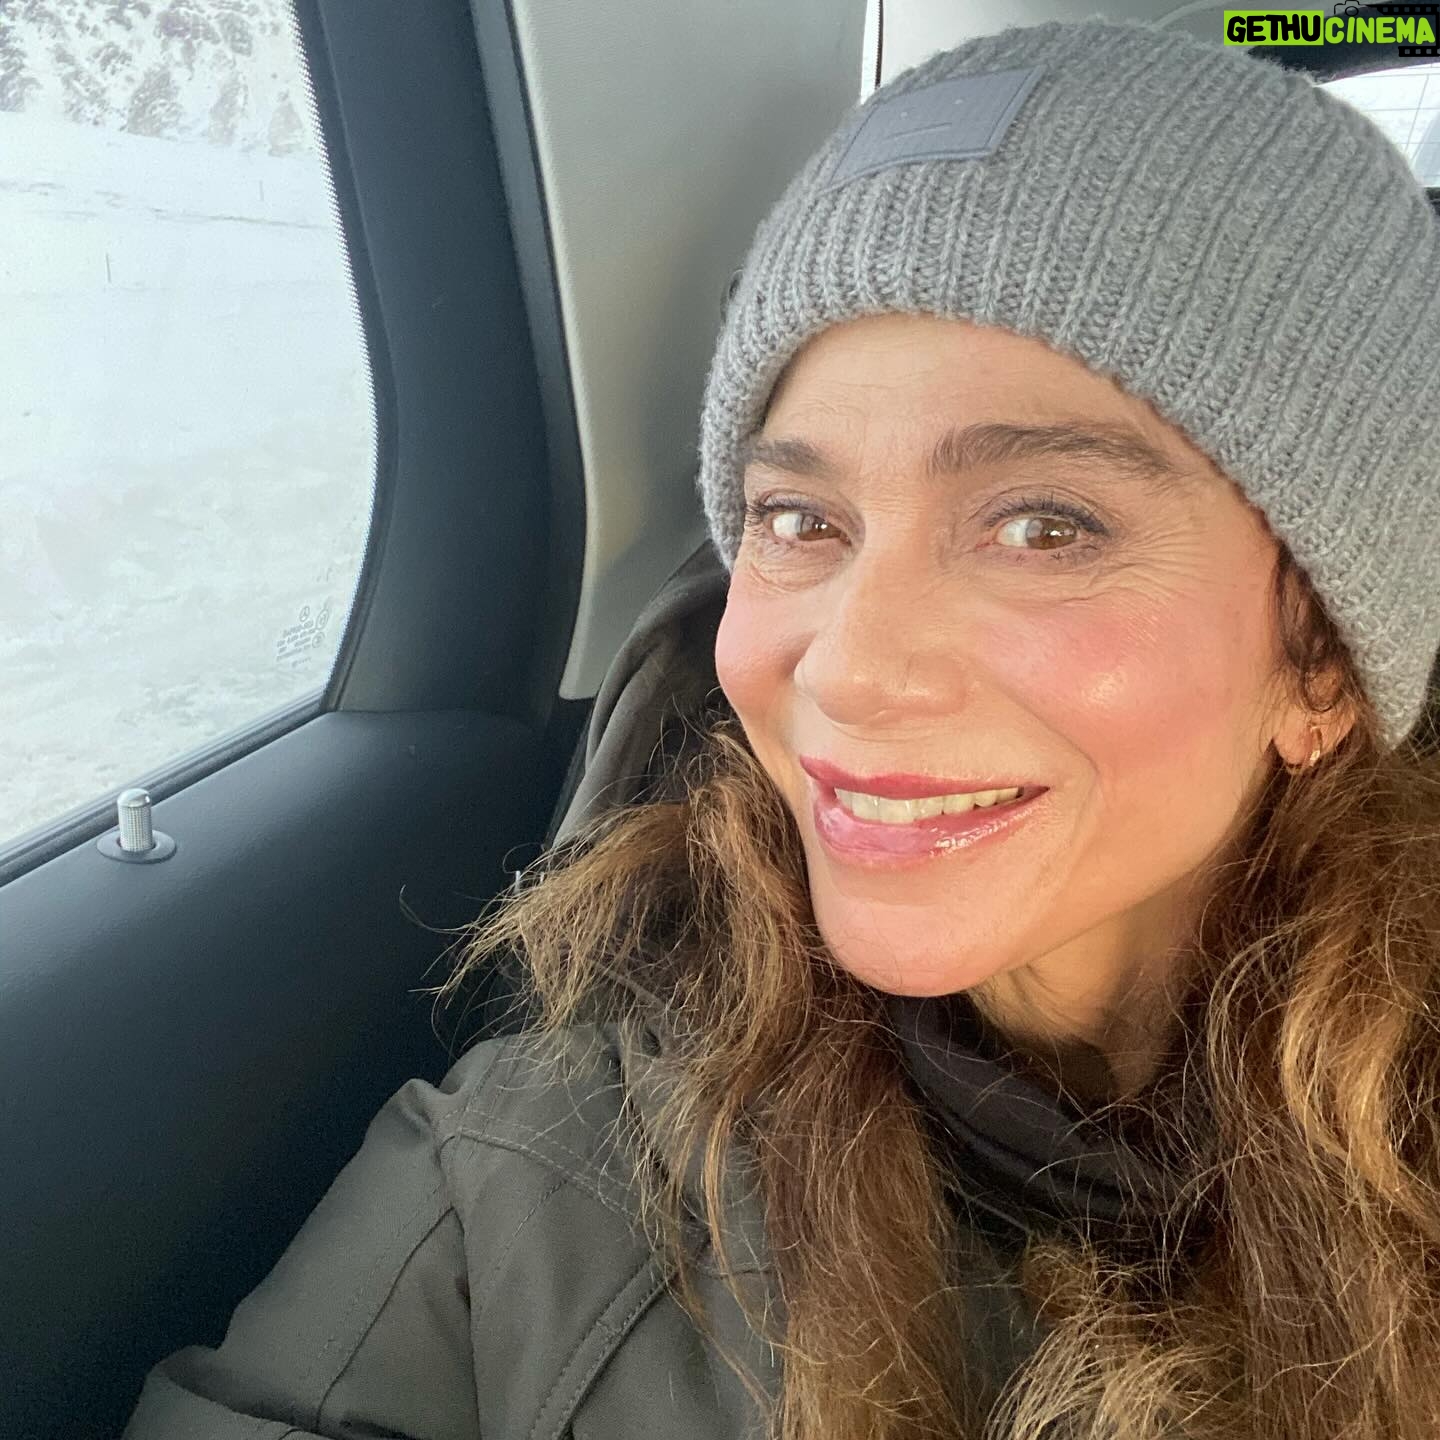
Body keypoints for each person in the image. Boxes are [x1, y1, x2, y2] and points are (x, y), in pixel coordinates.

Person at [123, 15, 1440, 1440]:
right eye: (801, 519)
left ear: (1319, 662)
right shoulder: (539, 1177)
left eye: (1044, 526)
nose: (853, 671)